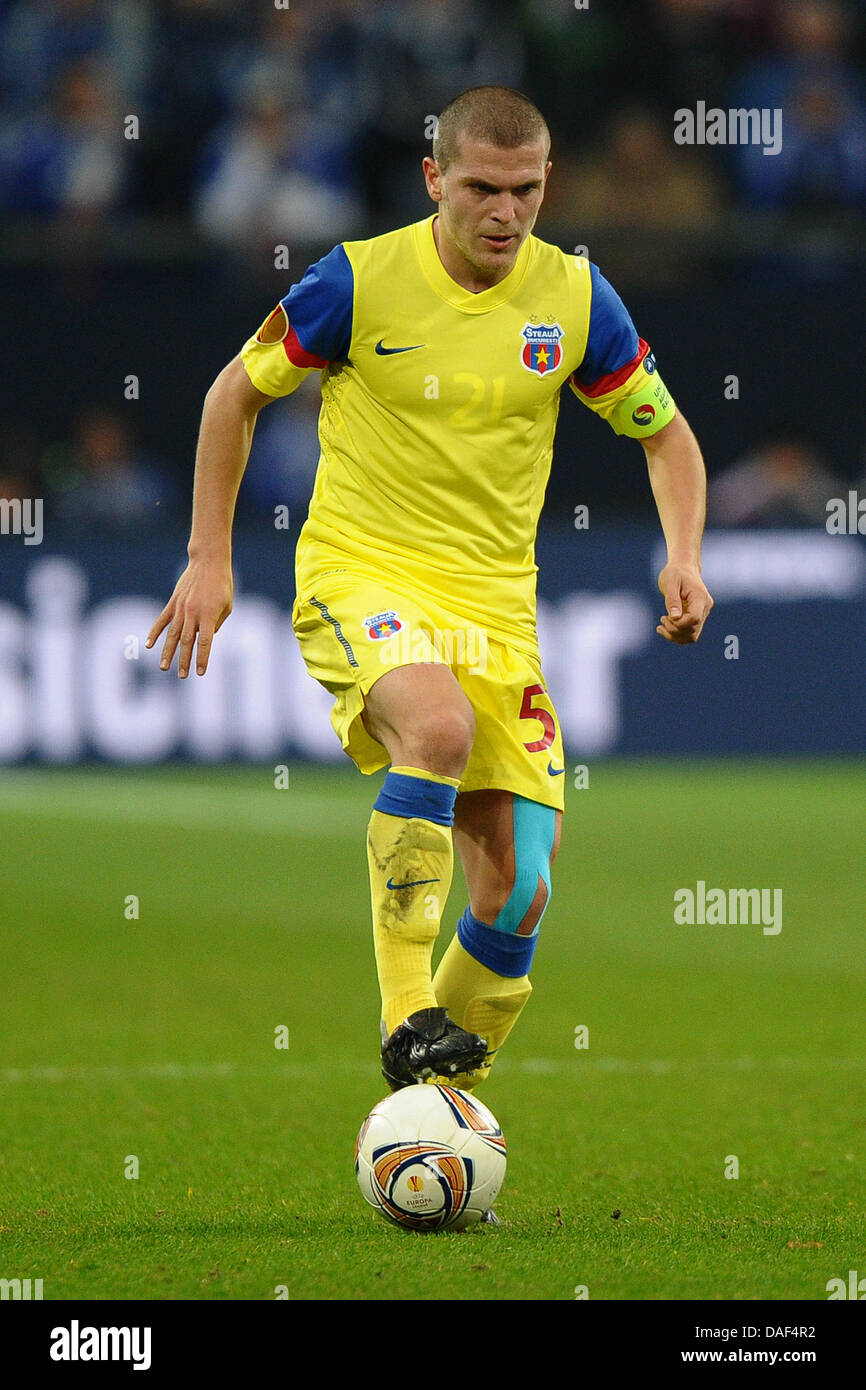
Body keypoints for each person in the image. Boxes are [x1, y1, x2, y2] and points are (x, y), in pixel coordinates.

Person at [146, 86, 713, 1093]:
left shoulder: (575, 297)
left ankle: (430, 1116)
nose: (504, 213)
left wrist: (682, 553)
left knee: (517, 892)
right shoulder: (357, 281)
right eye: (481, 188)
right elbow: (231, 395)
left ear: (549, 185)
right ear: (432, 179)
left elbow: (665, 434)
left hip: (496, 606)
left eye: (525, 191)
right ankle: (405, 1011)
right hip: (362, 569)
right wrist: (209, 554)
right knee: (435, 729)